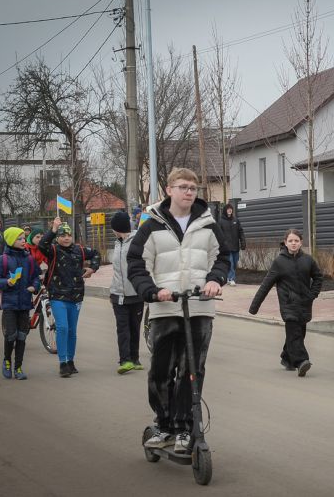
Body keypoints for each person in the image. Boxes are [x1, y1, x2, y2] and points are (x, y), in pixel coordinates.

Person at [128, 167, 230, 454]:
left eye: (193, 188)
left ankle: (184, 427)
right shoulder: (152, 225)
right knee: (161, 370)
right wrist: (151, 290)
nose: (188, 192)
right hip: (164, 307)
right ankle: (163, 424)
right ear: (169, 190)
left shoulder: (209, 225)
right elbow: (137, 264)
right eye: (183, 187)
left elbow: (222, 258)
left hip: (199, 308)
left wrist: (214, 280)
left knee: (191, 370)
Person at [249, 229, 322, 377]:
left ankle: (287, 358)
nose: (293, 243)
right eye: (290, 241)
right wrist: (254, 306)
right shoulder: (279, 262)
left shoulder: (308, 260)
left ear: (301, 242)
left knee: (299, 333)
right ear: (285, 242)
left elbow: (318, 277)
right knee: (295, 333)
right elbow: (266, 284)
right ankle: (302, 361)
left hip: (305, 303)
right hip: (288, 304)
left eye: (296, 241)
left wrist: (312, 295)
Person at [38, 217, 101, 377]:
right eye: (62, 235)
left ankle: (71, 361)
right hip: (57, 296)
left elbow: (96, 254)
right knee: (63, 328)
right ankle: (63, 363)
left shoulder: (79, 250)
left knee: (72, 331)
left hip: (76, 296)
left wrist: (92, 269)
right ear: (57, 237)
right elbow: (41, 245)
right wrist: (53, 229)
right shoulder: (52, 250)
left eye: (68, 235)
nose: (66, 238)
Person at [0, 227, 41, 380]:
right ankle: (7, 361)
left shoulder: (29, 259)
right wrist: (7, 282)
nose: (23, 241)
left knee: (22, 336)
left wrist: (34, 286)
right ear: (11, 240)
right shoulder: (3, 259)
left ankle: (18, 367)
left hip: (25, 303)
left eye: (23, 238)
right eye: (19, 239)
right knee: (10, 336)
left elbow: (36, 277)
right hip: (10, 305)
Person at [109, 211, 144, 375]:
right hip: (118, 294)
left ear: (117, 228)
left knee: (134, 327)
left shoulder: (137, 242)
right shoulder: (117, 243)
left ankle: (135, 359)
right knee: (122, 328)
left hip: (136, 293)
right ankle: (125, 360)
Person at [218, 203, 246, 286]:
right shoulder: (221, 221)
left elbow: (241, 231)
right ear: (225, 210)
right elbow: (218, 234)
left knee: (234, 262)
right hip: (226, 248)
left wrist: (243, 242)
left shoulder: (236, 220)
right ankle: (231, 279)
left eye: (231, 209)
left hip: (235, 246)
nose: (230, 210)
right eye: (228, 209)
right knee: (230, 263)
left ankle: (228, 277)